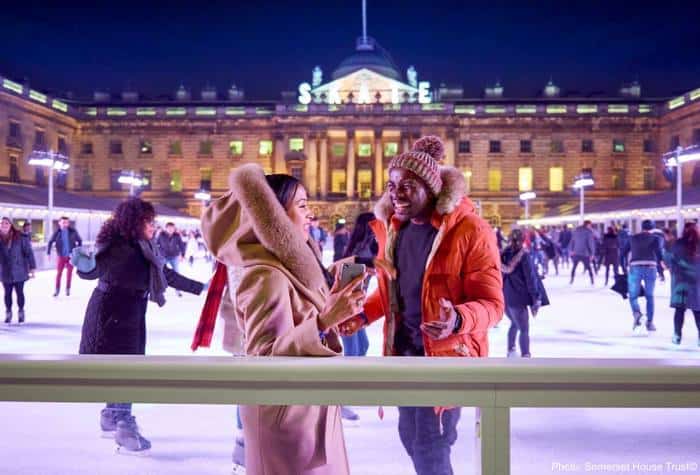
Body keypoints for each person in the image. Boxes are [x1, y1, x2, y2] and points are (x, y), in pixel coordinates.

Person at [339, 136, 504, 475]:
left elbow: (492, 304)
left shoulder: (470, 230)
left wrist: (457, 319)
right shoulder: (393, 229)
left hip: (445, 358)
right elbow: (395, 294)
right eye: (391, 185)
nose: (395, 194)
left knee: (430, 446)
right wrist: (362, 316)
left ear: (431, 189)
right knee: (410, 436)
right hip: (403, 355)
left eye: (407, 186)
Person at [199, 164, 368, 475]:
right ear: (272, 216)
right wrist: (324, 319)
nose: (310, 215)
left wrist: (330, 311)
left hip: (305, 411)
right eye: (302, 206)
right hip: (287, 421)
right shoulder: (265, 275)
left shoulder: (287, 267)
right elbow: (263, 356)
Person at [73, 198, 205, 454]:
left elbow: (165, 274)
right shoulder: (119, 246)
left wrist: (201, 288)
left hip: (130, 311)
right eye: (148, 221)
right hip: (112, 312)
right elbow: (95, 268)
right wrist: (84, 267)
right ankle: (123, 424)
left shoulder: (143, 246)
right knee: (126, 368)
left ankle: (113, 415)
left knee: (124, 365)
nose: (153, 226)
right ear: (135, 222)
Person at [338, 211, 379, 422]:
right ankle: (341, 401)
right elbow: (349, 281)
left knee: (361, 347)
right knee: (352, 353)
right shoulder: (361, 250)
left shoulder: (364, 247)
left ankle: (351, 390)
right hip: (347, 310)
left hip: (357, 309)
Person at [501, 229, 548, 358]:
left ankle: (511, 350)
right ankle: (526, 355)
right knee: (524, 329)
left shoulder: (503, 254)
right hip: (518, 298)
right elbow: (530, 278)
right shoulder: (524, 256)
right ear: (523, 240)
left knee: (514, 324)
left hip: (505, 297)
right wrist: (536, 298)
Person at [622, 219, 663, 331]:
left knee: (633, 295)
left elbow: (622, 253)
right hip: (651, 267)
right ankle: (650, 323)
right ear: (652, 228)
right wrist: (661, 272)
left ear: (642, 227)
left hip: (635, 268)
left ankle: (636, 313)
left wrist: (624, 267)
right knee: (650, 296)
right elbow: (659, 254)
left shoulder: (632, 238)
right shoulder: (657, 239)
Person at [664, 222, 700, 346]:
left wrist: (672, 269)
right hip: (696, 282)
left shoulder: (678, 243)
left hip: (680, 282)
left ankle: (677, 336)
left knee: (679, 310)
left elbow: (668, 259)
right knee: (698, 310)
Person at [0, 217, 36, 324]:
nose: (4, 225)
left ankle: (21, 311)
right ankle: (8, 312)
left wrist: (32, 268)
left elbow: (29, 253)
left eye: (6, 223)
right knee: (7, 293)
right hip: (5, 271)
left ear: (11, 225)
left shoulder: (20, 237)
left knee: (20, 292)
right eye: (2, 223)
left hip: (19, 270)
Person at [47, 216, 82, 297]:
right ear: (59, 223)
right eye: (63, 222)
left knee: (69, 273)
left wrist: (78, 251)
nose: (65, 224)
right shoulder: (57, 232)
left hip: (71, 257)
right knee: (59, 273)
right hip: (61, 256)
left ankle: (68, 289)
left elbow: (79, 240)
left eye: (66, 222)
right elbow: (50, 242)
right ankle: (57, 290)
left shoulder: (73, 231)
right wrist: (48, 253)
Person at [156, 222, 186, 296]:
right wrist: (158, 254)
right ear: (166, 228)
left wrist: (183, 254)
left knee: (176, 273)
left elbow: (181, 245)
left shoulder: (177, 235)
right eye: (169, 228)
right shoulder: (161, 235)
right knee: (161, 272)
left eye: (172, 228)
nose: (171, 230)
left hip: (174, 256)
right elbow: (156, 244)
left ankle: (178, 290)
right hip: (164, 256)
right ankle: (160, 290)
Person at [569, 220, 596, 285]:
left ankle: (572, 279)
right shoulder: (589, 232)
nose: (590, 226)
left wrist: (571, 250)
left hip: (576, 252)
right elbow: (591, 243)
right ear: (587, 225)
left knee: (574, 267)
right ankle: (592, 280)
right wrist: (592, 253)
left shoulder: (576, 231)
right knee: (589, 267)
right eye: (590, 225)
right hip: (585, 253)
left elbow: (572, 241)